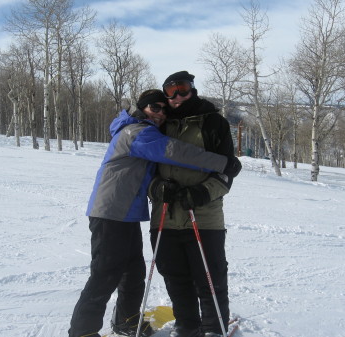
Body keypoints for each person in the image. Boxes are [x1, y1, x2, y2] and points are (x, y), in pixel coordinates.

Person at [68, 89, 234, 337]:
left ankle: (127, 320)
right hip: (111, 212)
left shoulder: (143, 131)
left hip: (126, 214)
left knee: (133, 271)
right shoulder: (137, 132)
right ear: (141, 108)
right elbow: (175, 151)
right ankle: (82, 331)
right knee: (105, 272)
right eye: (154, 108)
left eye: (163, 109)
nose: (160, 113)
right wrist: (223, 163)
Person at [148, 71, 242, 337]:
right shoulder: (157, 125)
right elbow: (142, 173)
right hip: (165, 216)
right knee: (175, 277)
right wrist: (157, 188)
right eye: (171, 91)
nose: (178, 96)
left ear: (192, 89)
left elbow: (226, 172)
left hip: (204, 216)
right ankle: (187, 326)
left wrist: (201, 193)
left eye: (183, 88)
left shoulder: (214, 123)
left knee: (209, 278)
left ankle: (213, 328)